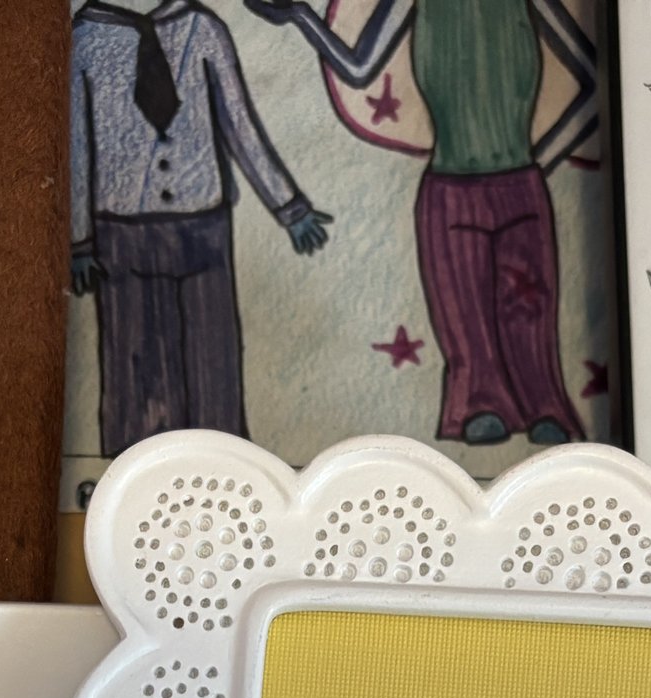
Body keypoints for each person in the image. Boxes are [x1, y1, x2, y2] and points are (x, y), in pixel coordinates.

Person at [243, 0, 596, 447]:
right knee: (463, 312)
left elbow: (590, 76)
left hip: (519, 182)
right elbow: (358, 67)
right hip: (450, 187)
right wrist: (302, 17)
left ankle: (545, 406)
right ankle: (480, 405)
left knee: (530, 308)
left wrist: (542, 162)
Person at [68, 2, 336, 456]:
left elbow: (239, 122)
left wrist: (288, 205)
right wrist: (78, 241)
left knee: (214, 366)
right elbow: (75, 143)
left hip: (204, 228)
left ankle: (228, 465)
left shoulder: (202, 27)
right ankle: (134, 476)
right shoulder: (85, 40)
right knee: (137, 370)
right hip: (122, 235)